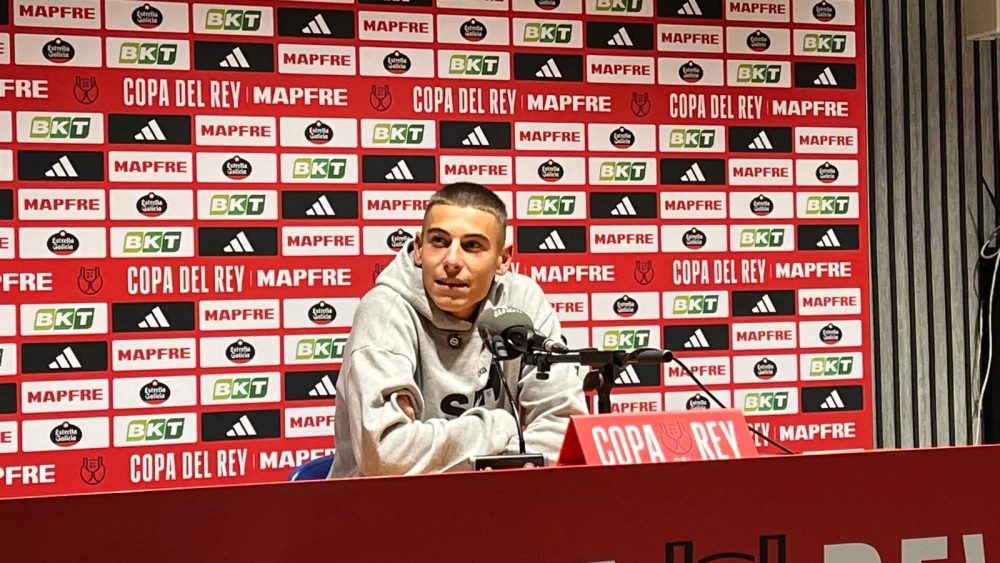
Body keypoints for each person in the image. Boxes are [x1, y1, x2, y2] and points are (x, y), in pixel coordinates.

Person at [328, 182, 588, 478]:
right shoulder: (384, 311)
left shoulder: (522, 301)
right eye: (439, 241)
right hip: (386, 503)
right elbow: (386, 455)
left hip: (495, 498)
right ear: (418, 248)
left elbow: (564, 426)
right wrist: (499, 427)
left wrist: (492, 466)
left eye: (472, 245)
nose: (451, 261)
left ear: (503, 259)